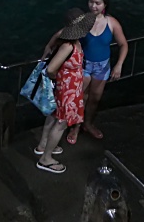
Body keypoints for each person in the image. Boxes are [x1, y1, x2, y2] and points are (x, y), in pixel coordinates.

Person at [46, 0, 128, 144]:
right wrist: (48, 49)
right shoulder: (82, 21)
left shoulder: (112, 23)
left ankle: (88, 124)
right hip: (82, 65)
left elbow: (123, 44)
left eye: (98, 3)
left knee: (95, 98)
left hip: (102, 67)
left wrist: (119, 65)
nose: (93, 6)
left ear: (105, 5)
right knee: (80, 97)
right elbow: (59, 34)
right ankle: (75, 126)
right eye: (91, 2)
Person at [35, 9, 95, 174]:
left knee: (53, 116)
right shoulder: (68, 46)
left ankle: (43, 146)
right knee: (61, 123)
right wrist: (61, 80)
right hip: (67, 90)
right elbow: (51, 69)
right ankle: (46, 159)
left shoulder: (71, 40)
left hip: (68, 88)